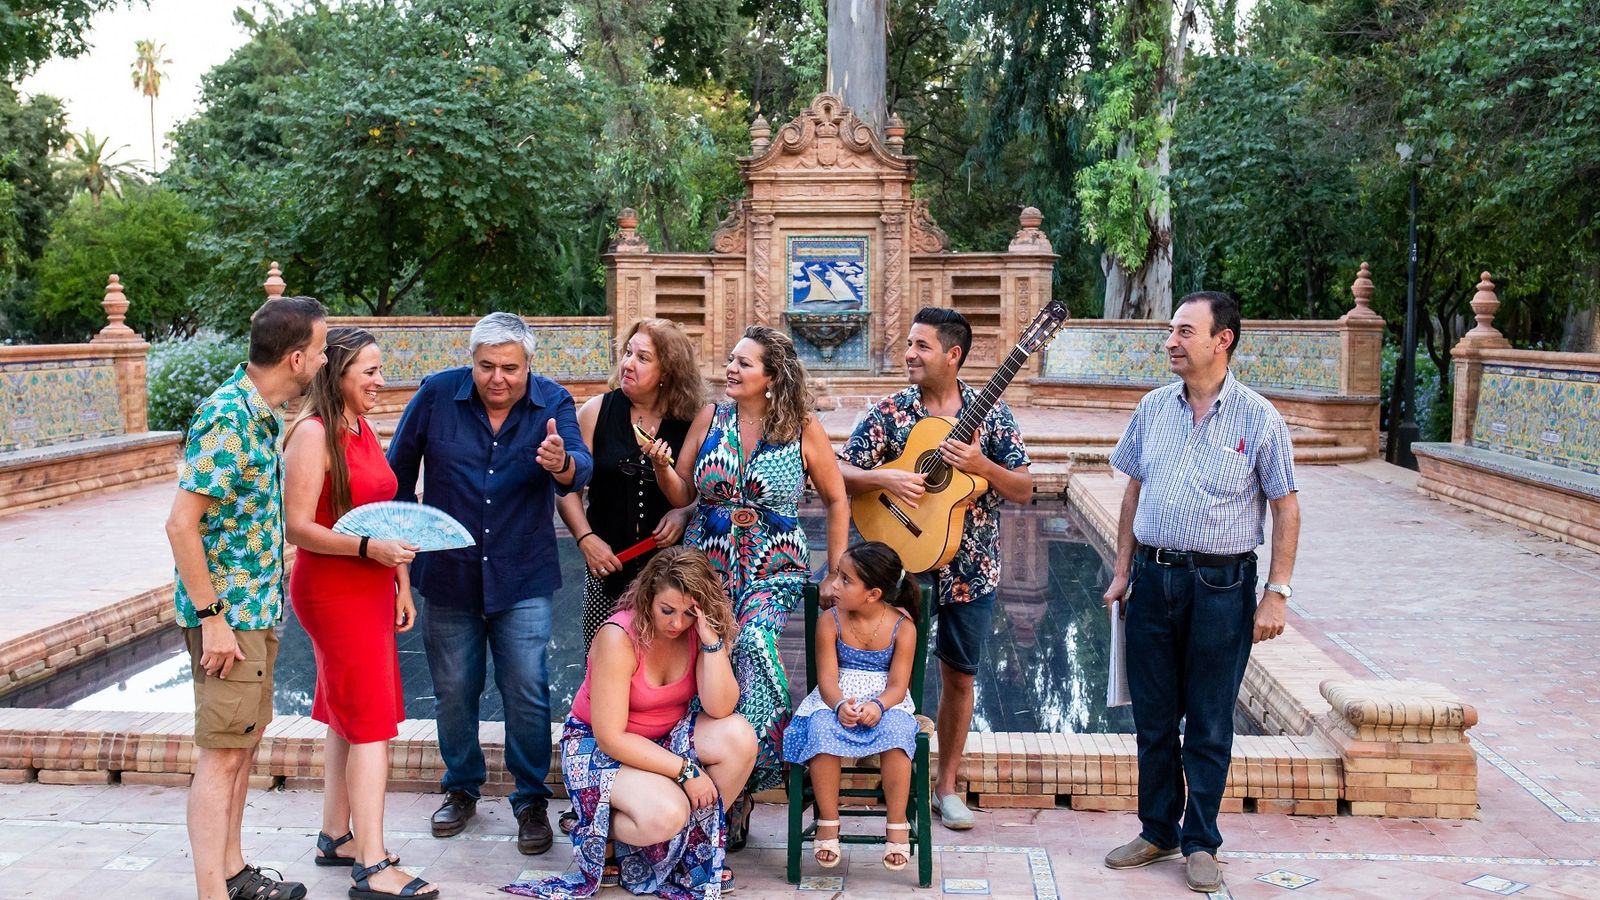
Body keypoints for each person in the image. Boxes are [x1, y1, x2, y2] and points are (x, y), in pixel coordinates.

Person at [1100, 291, 1301, 894]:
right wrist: (1122, 572)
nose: (1171, 341)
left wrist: (1277, 592)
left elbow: (1286, 508)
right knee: (1154, 719)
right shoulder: (1152, 408)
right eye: (1172, 331)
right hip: (1152, 580)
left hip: (1222, 585)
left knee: (1210, 721)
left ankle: (1201, 840)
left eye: (1185, 331)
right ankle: (1157, 829)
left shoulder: (1260, 417)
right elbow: (1134, 491)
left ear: (1222, 340)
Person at [388, 312, 593, 855]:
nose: (497, 377)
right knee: (455, 689)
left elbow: (581, 466)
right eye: (486, 366)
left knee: (526, 688)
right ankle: (461, 788)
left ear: (528, 365)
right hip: (448, 573)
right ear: (471, 361)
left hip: (521, 575)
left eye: (509, 368)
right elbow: (396, 475)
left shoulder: (553, 402)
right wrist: (400, 555)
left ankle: (531, 800)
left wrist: (561, 464)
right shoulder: (436, 395)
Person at [650, 324, 849, 847]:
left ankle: (762, 770)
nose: (731, 369)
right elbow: (682, 492)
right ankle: (729, 786)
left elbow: (836, 498)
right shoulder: (710, 417)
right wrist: (663, 468)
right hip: (706, 567)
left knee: (753, 647)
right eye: (732, 360)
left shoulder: (802, 427)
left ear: (772, 376)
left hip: (773, 567)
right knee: (708, 663)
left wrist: (835, 569)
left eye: (744, 363)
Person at [837, 307, 1032, 832]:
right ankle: (884, 776)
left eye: (921, 346)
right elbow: (838, 471)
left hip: (971, 566)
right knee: (881, 669)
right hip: (897, 564)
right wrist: (887, 477)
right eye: (909, 344)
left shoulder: (993, 416)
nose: (909, 354)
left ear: (953, 354)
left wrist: (982, 466)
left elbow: (1024, 488)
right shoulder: (891, 411)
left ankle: (946, 787)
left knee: (958, 675)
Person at [164, 295, 327, 900]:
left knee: (241, 748)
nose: (324, 359)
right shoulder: (228, 418)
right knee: (221, 756)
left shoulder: (262, 415)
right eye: (319, 349)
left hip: (253, 614)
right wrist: (212, 619)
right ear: (295, 358)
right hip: (227, 622)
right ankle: (213, 891)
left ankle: (234, 875)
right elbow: (181, 524)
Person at [503, 546, 756, 899]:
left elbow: (720, 707)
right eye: (667, 610)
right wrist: (687, 771)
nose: (677, 623)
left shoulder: (694, 631)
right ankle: (599, 831)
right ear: (649, 596)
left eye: (688, 613)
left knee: (740, 737)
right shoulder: (618, 637)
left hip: (664, 737)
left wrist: (711, 642)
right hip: (597, 747)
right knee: (667, 814)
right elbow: (611, 737)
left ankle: (688, 847)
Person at [284, 326, 437, 899]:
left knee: (346, 715)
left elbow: (383, 514)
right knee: (370, 722)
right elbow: (298, 527)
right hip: (333, 590)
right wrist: (371, 551)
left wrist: (400, 582)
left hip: (372, 585)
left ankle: (336, 835)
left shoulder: (361, 427)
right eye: (369, 371)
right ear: (338, 373)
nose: (380, 380)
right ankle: (372, 866)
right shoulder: (313, 434)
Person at [557, 318, 708, 651]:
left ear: (667, 371)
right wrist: (586, 539)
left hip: (671, 578)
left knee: (666, 665)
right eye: (627, 353)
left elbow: (710, 491)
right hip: (607, 571)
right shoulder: (595, 411)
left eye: (642, 358)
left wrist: (685, 513)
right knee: (602, 662)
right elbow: (567, 490)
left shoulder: (692, 421)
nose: (628, 364)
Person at [782, 541, 922, 872]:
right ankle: (828, 822)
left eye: (845, 580)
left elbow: (898, 685)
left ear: (873, 594)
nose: (834, 586)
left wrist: (879, 705)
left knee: (899, 734)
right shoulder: (830, 621)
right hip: (837, 698)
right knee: (821, 730)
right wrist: (839, 704)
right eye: (837, 576)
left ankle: (897, 825)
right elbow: (827, 679)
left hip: (886, 702)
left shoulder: (903, 628)